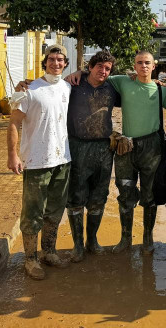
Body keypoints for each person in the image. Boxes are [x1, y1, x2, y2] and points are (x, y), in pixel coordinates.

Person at [7, 44, 72, 280]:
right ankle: (30, 259)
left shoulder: (66, 88)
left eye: (60, 60)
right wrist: (13, 155)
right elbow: (14, 123)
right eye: (52, 59)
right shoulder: (30, 90)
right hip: (36, 161)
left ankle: (49, 252)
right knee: (33, 212)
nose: (56, 63)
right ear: (45, 62)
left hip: (62, 159)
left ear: (65, 64)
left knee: (55, 210)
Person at [105, 50, 166, 254]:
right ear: (134, 67)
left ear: (154, 67)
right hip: (126, 147)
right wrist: (74, 75)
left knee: (149, 195)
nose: (143, 66)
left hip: (151, 147)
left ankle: (147, 239)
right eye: (139, 63)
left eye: (147, 63)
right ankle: (125, 238)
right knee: (125, 193)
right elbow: (98, 76)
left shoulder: (162, 91)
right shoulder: (123, 82)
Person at [64, 50, 120, 261]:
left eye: (107, 68)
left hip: (104, 149)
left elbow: (135, 90)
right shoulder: (73, 86)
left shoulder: (113, 89)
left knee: (99, 197)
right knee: (76, 197)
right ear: (90, 67)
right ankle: (77, 245)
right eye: (100, 67)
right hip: (77, 146)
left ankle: (92, 241)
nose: (103, 71)